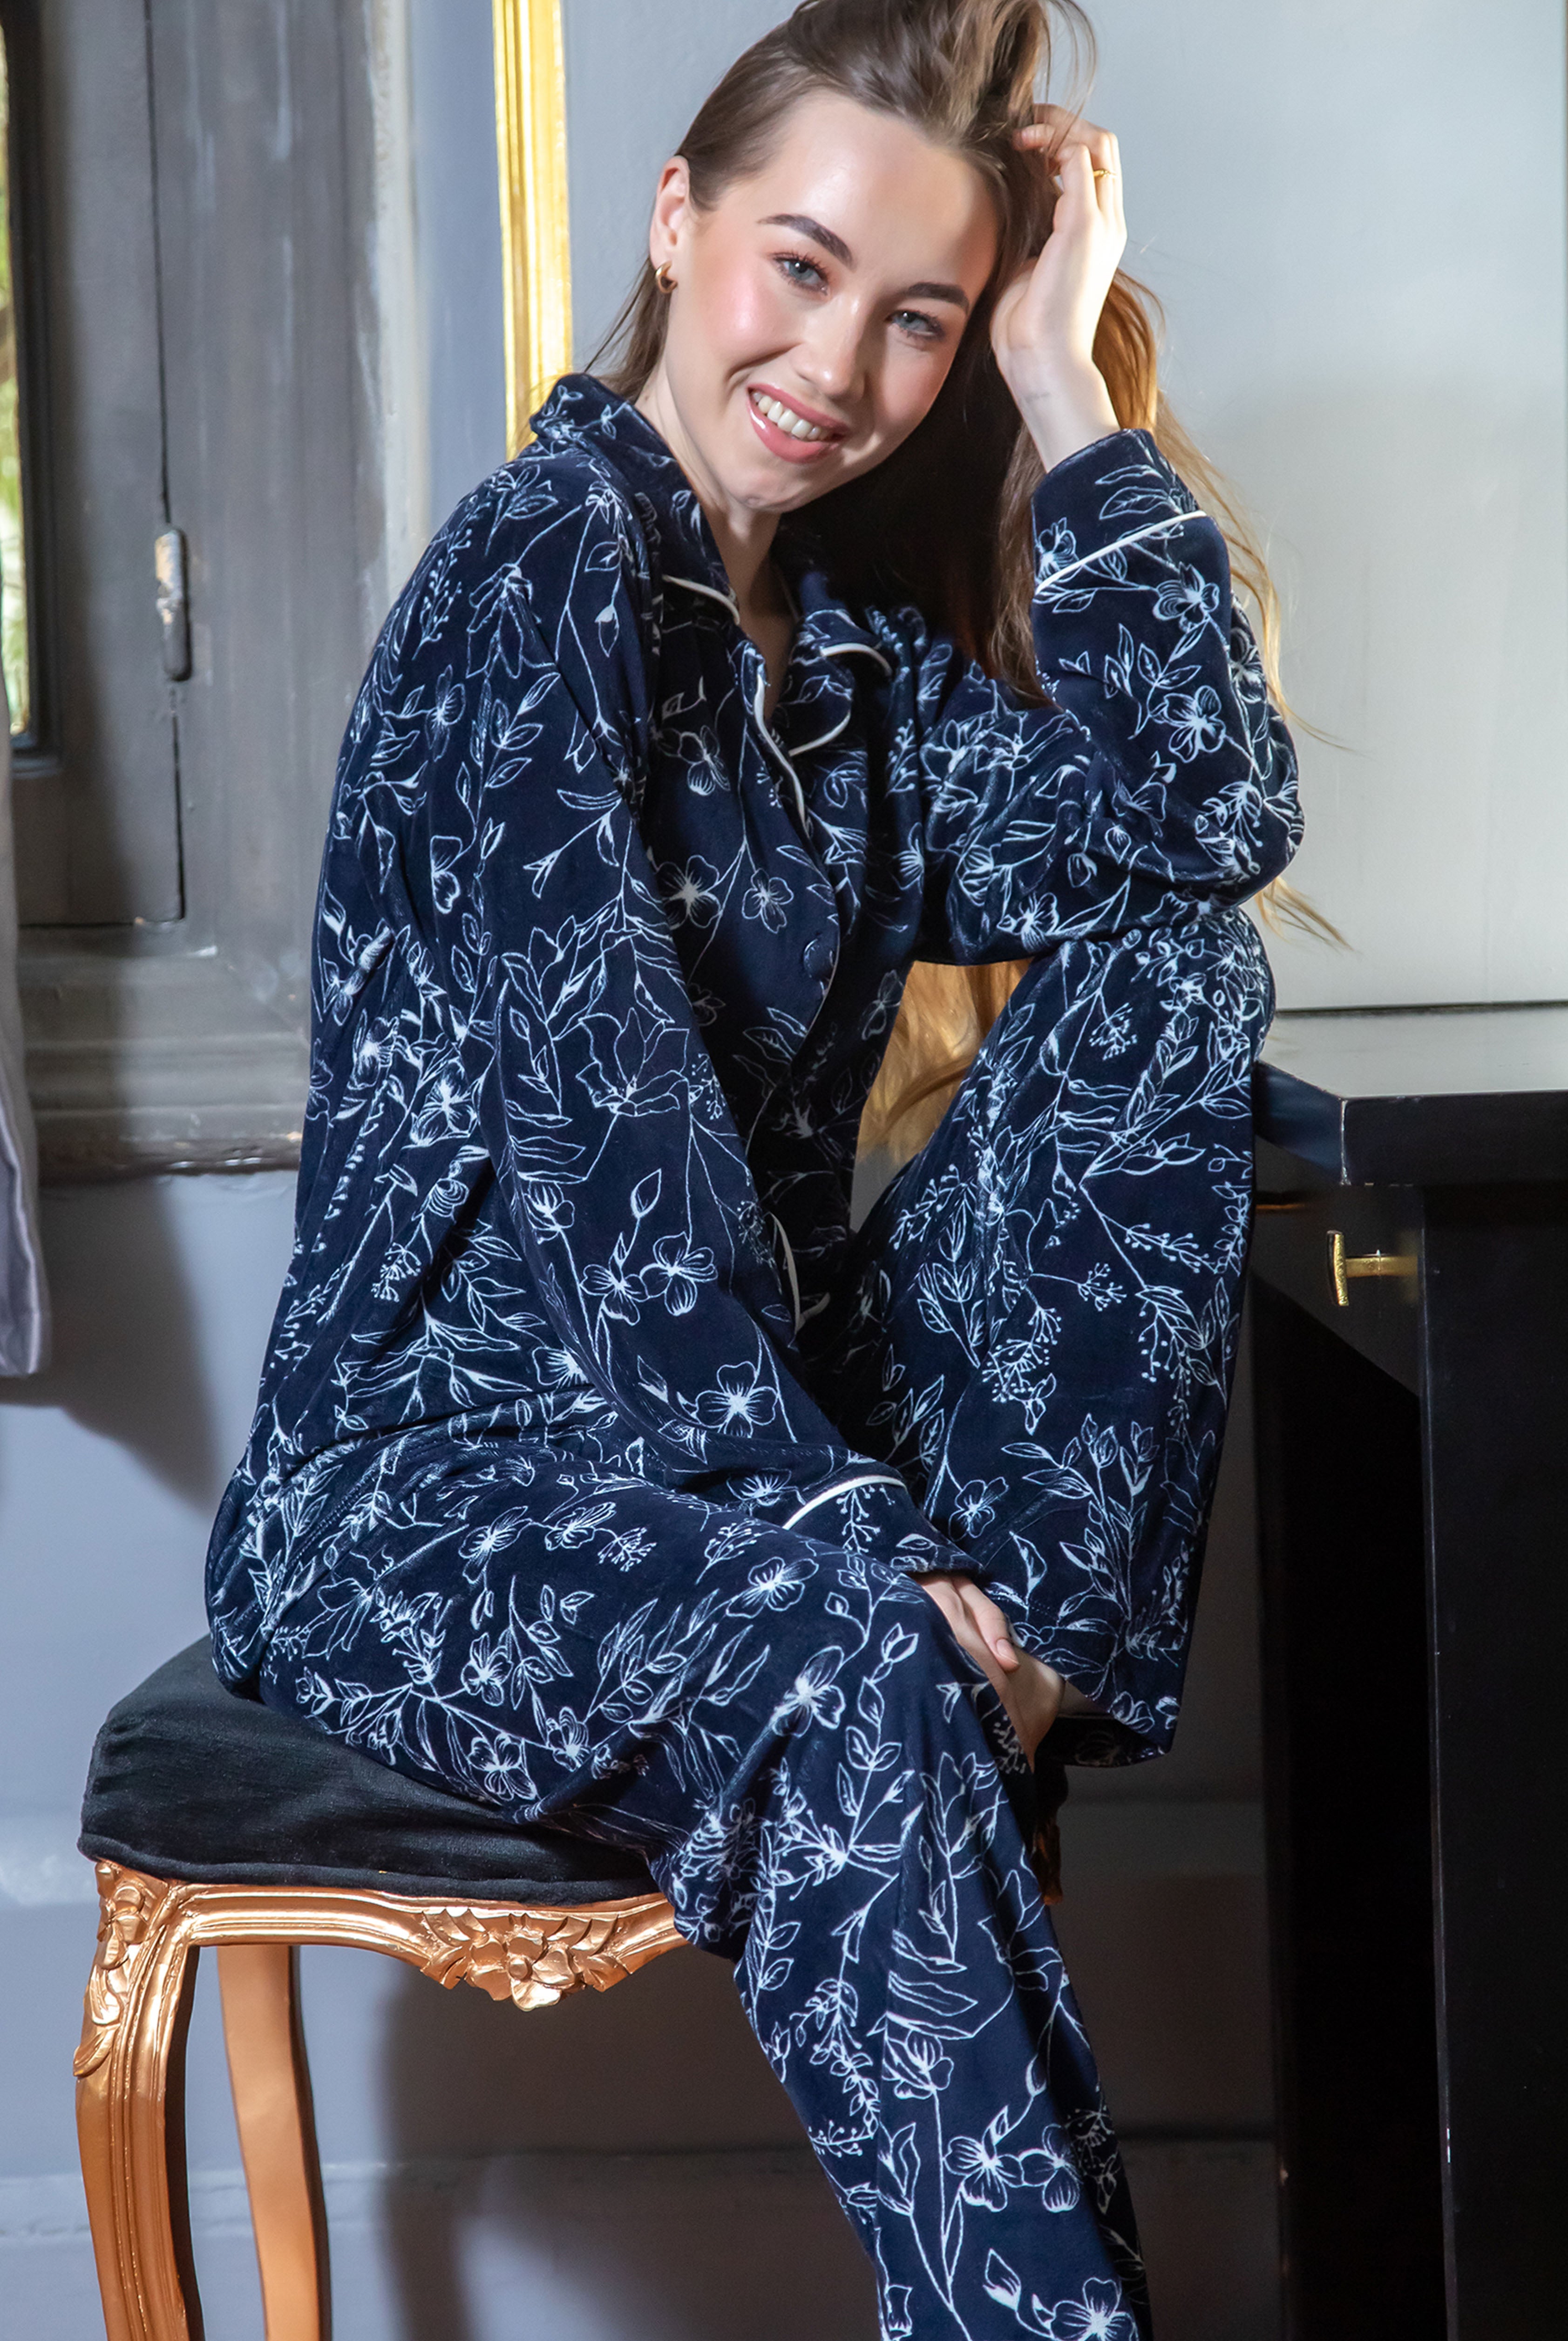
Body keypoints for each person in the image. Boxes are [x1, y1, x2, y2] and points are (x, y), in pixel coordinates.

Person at [206, 1, 1300, 2330]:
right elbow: (614, 1165)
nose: (835, 365)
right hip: (430, 1499)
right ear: (674, 221)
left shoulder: (846, 667)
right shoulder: (534, 580)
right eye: (797, 268)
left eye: (917, 317)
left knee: (1177, 974)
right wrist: (855, 1539)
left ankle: (1020, 1658)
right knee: (848, 1645)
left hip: (736, 1453)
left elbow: (1200, 826)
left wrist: (1067, 390)